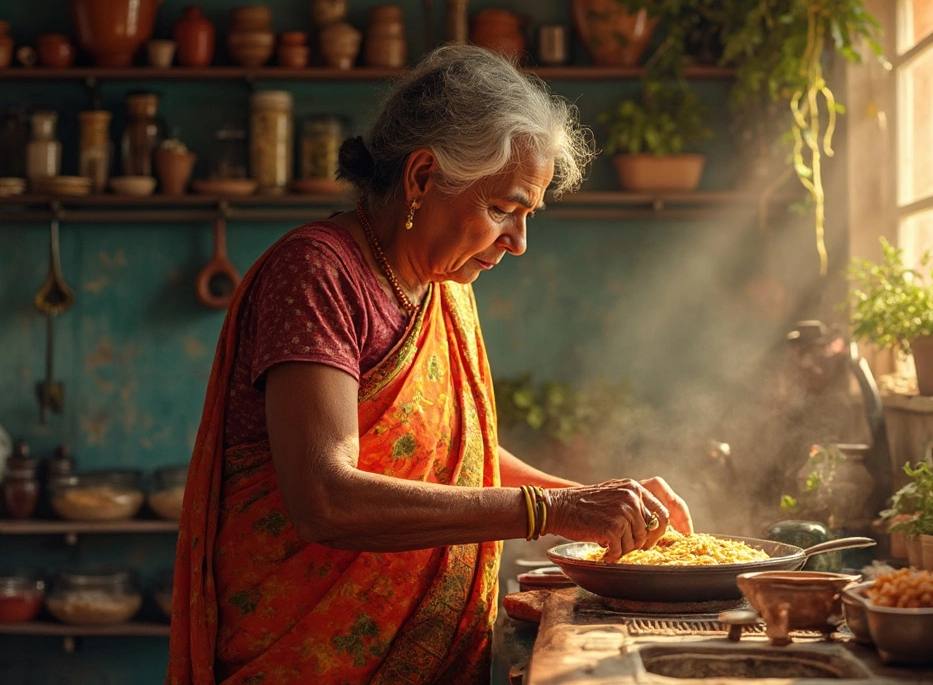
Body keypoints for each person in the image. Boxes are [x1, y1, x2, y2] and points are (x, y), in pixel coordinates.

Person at [167, 45, 693, 685]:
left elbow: (456, 457)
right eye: (503, 209)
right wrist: (555, 512)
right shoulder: (316, 274)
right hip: (307, 661)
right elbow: (325, 499)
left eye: (527, 216)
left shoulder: (444, 286)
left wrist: (598, 504)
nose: (519, 243)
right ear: (421, 178)